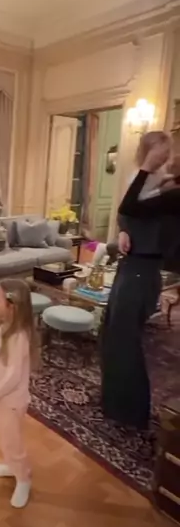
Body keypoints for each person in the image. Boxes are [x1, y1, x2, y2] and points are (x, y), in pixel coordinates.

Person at [100, 130, 172, 430]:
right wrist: (123, 230)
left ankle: (131, 411)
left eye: (165, 152)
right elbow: (126, 212)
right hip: (129, 266)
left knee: (125, 339)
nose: (163, 157)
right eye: (157, 151)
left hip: (144, 269)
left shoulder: (168, 189)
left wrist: (149, 170)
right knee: (110, 331)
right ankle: (113, 401)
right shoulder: (140, 182)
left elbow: (132, 208)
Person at [0, 278, 34, 509]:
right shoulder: (3, 329)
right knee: (3, 436)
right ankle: (11, 465)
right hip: (1, 398)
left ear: (11, 307)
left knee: (13, 442)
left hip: (11, 402)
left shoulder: (19, 337)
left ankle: (23, 478)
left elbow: (14, 376)